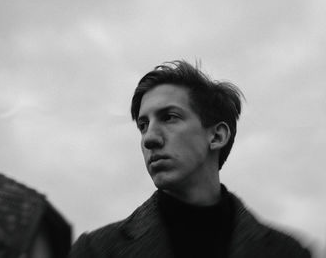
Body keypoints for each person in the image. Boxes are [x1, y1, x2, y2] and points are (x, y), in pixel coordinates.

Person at [69, 61, 311, 258]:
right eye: (143, 125)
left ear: (216, 136)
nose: (149, 138)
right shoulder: (96, 251)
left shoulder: (287, 252)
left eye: (169, 117)